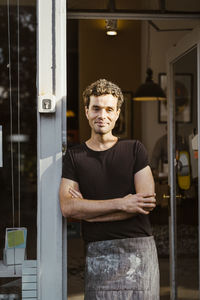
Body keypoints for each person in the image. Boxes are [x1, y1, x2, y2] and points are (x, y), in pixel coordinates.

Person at [59, 79, 159, 299]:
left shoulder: (134, 149)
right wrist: (123, 203)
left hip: (138, 249)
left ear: (117, 113)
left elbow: (144, 204)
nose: (102, 115)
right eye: (96, 108)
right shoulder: (75, 156)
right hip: (98, 251)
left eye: (108, 109)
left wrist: (90, 213)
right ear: (87, 111)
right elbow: (68, 208)